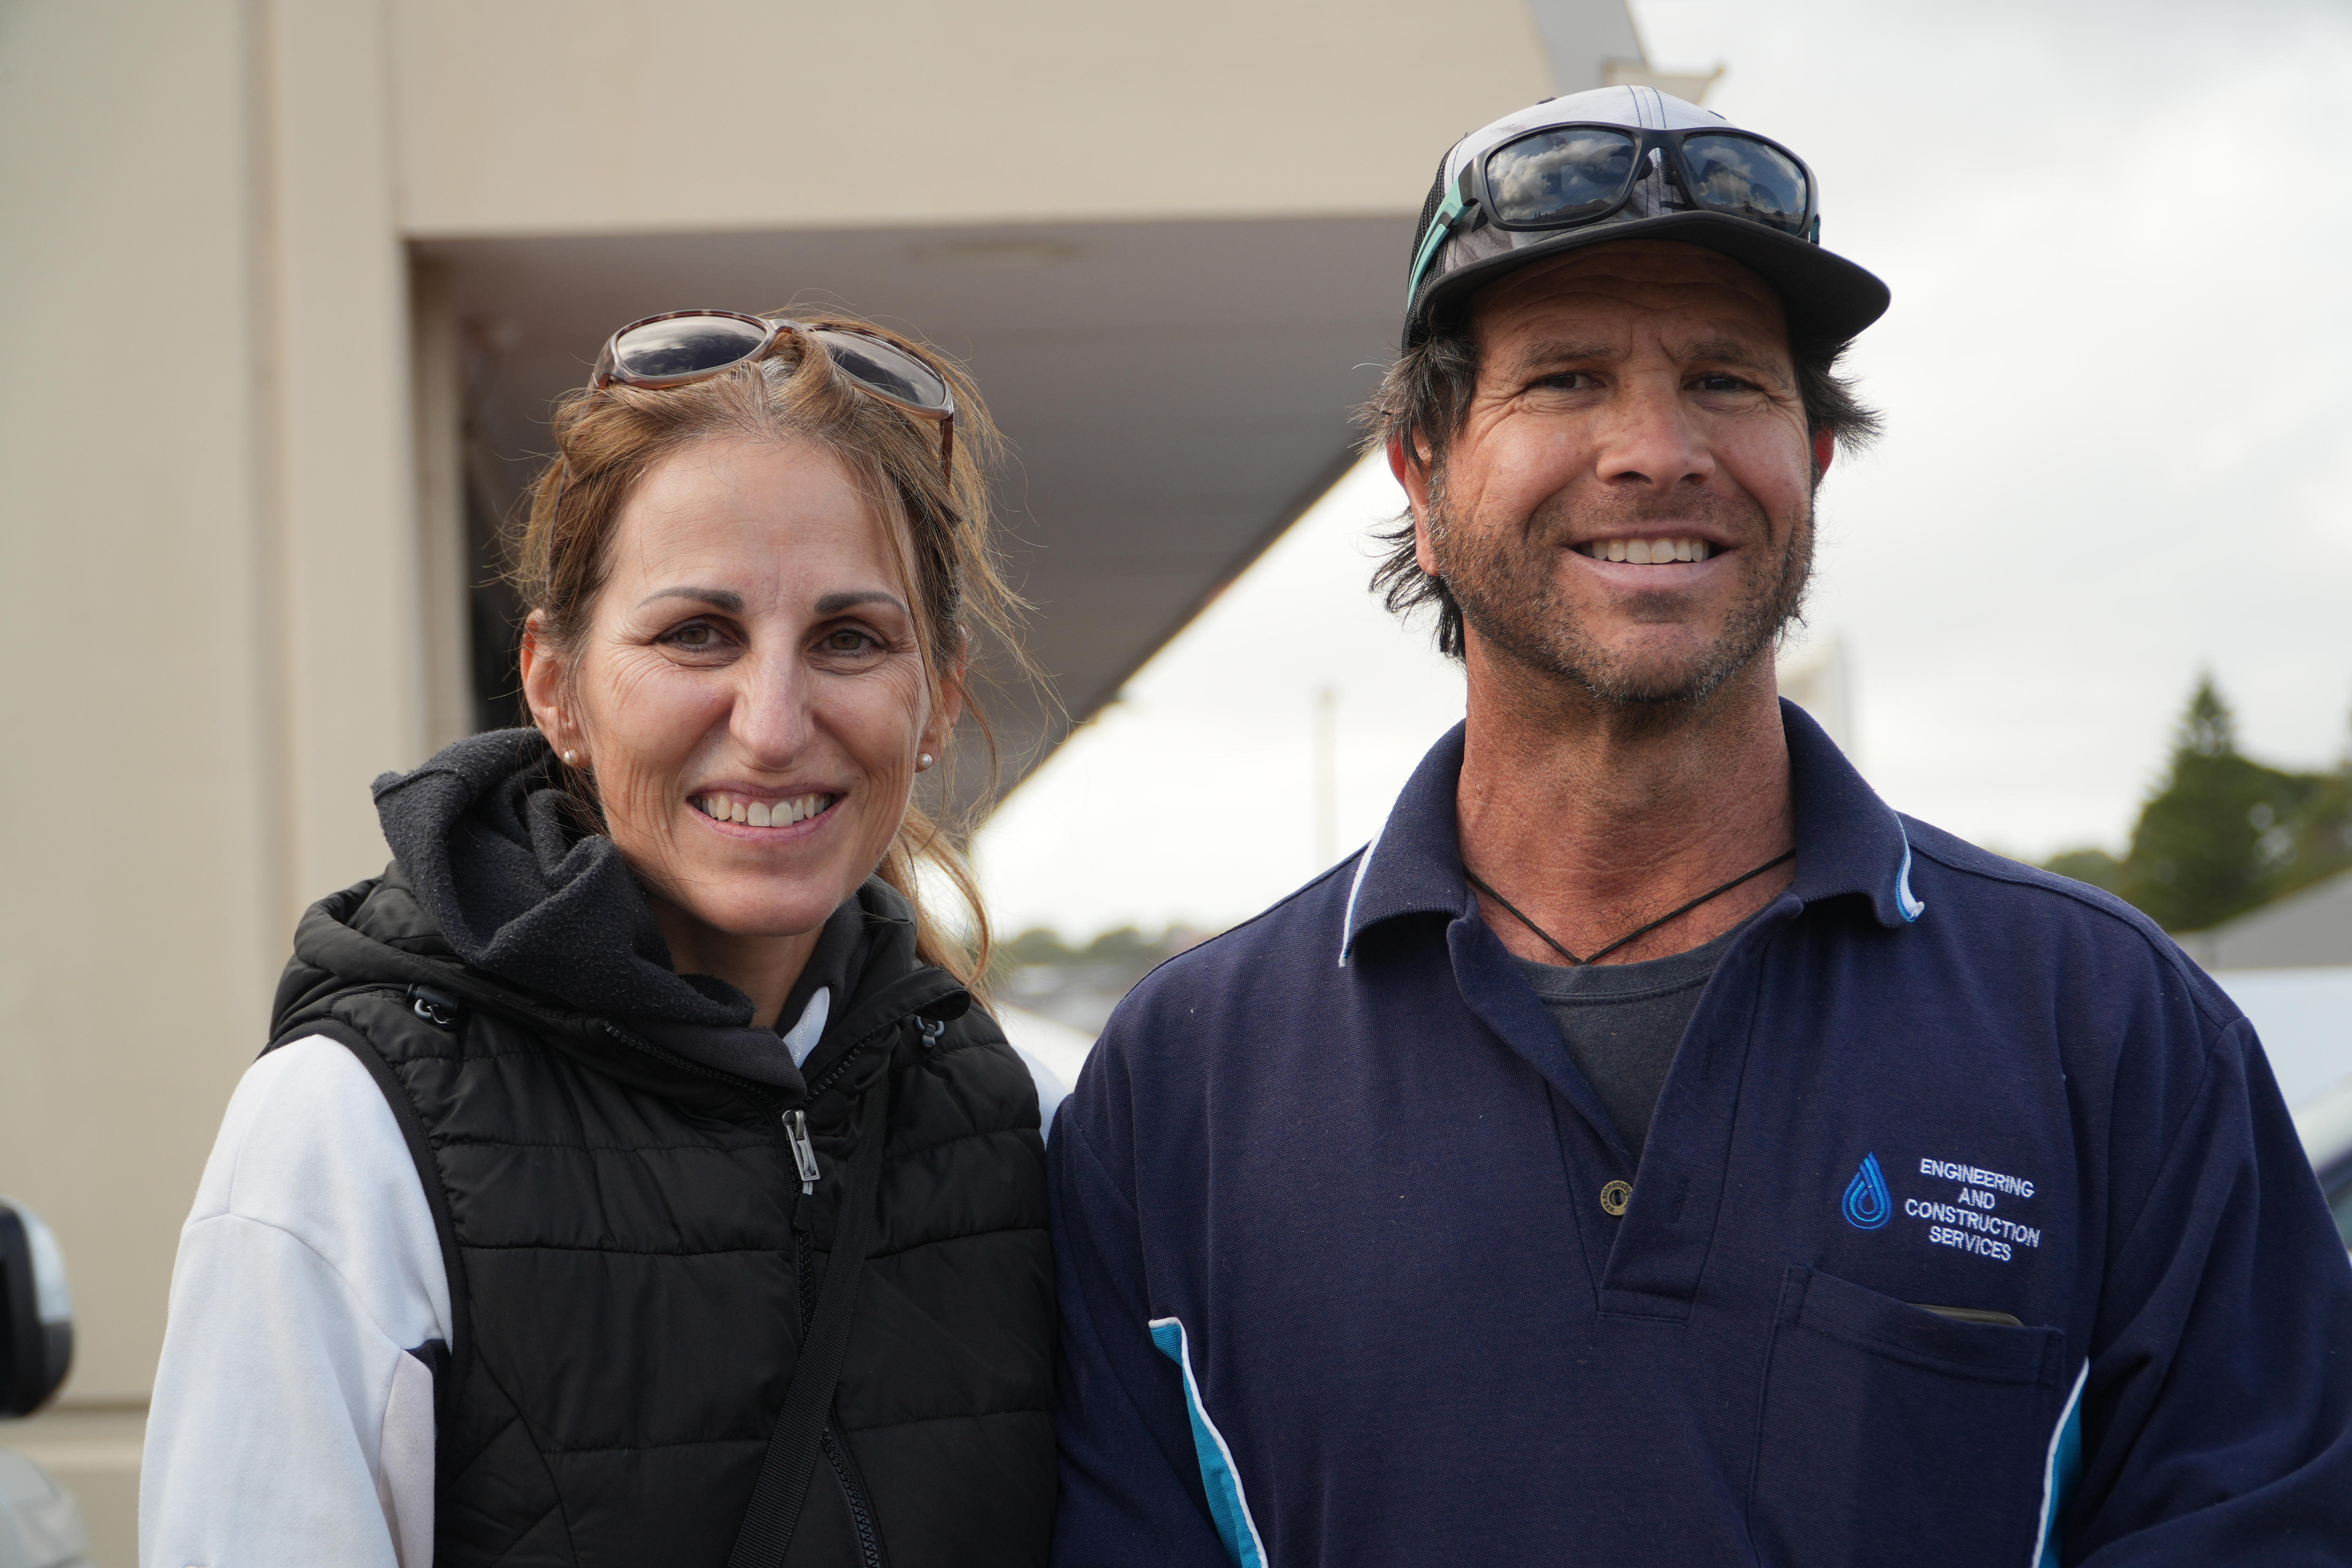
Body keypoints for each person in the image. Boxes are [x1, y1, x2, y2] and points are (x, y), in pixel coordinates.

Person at [1049, 86, 2352, 1565]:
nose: (1657, 449)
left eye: (1730, 380)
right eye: (1566, 380)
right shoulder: (1182, 1085)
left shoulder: (2114, 1028)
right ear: (1422, 474)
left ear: (1815, 461)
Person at [143, 310, 1060, 1567]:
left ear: (936, 700)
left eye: (851, 639)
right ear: (555, 687)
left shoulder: (1025, 1124)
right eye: (698, 634)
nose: (775, 722)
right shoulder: (349, 1138)